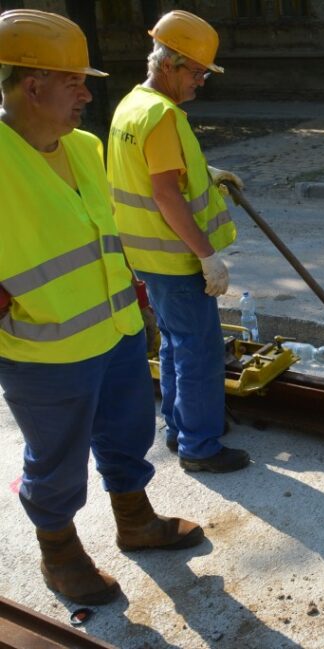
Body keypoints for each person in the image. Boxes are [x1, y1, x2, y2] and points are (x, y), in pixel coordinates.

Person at [0, 9, 204, 605]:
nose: (88, 93)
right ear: (33, 86)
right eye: (74, 82)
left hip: (114, 330)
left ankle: (135, 521)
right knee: (57, 461)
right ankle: (60, 555)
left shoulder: (85, 147)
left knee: (128, 431)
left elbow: (113, 223)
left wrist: (137, 302)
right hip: (46, 350)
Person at [107, 10, 248, 473]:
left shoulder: (132, 106)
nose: (202, 81)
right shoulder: (163, 116)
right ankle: (200, 446)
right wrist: (207, 256)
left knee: (173, 344)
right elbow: (166, 193)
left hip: (145, 254)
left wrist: (207, 174)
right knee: (199, 353)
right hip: (176, 259)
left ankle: (179, 427)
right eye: (198, 71)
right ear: (169, 63)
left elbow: (154, 173)